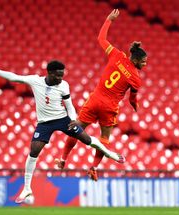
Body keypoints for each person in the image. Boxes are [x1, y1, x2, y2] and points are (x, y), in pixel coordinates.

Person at [0, 60, 124, 204]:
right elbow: (13, 77)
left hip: (62, 119)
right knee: (34, 150)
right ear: (49, 73)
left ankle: (110, 153)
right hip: (44, 123)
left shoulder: (63, 85)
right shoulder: (35, 81)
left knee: (86, 139)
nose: (60, 78)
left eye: (62, 75)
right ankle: (27, 188)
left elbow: (69, 106)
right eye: (58, 76)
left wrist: (73, 119)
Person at [54, 9, 147, 181]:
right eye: (143, 61)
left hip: (95, 99)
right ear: (135, 60)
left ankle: (62, 159)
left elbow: (101, 39)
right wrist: (135, 105)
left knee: (76, 128)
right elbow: (132, 99)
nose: (145, 63)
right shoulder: (136, 78)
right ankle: (94, 167)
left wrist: (108, 20)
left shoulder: (117, 55)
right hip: (109, 107)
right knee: (104, 138)